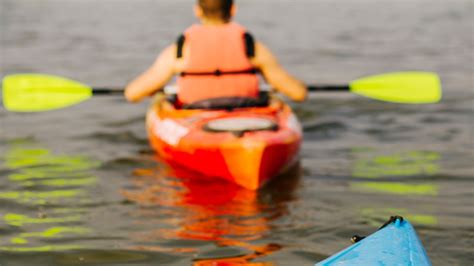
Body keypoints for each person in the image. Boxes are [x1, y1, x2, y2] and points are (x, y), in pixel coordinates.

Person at [124, 0, 307, 105]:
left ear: (198, 10)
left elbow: (132, 94)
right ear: (233, 9)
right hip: (246, 113)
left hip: (196, 112)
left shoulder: (181, 49)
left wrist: (156, 90)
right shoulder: (251, 47)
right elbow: (298, 93)